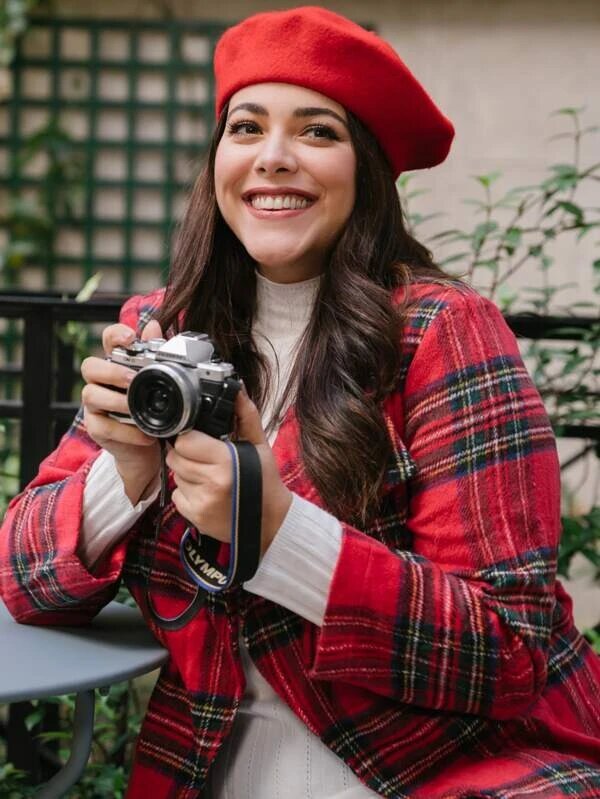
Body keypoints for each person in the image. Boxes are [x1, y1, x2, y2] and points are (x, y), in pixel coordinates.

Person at [1, 7, 600, 798]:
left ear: (367, 170)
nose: (272, 158)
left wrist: (276, 528)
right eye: (245, 128)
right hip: (208, 765)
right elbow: (22, 578)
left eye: (316, 132)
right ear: (217, 158)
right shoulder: (164, 333)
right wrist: (125, 474)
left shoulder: (442, 332)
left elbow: (506, 649)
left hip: (440, 769)